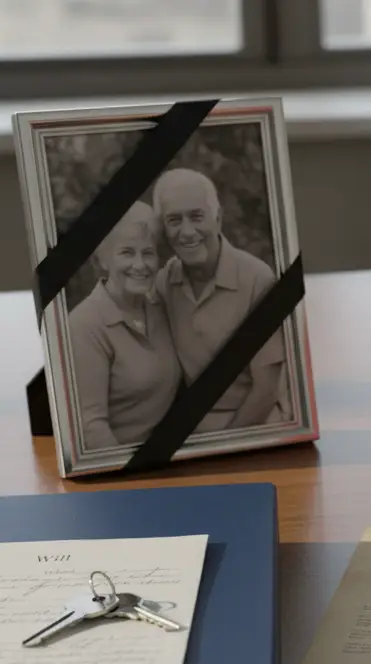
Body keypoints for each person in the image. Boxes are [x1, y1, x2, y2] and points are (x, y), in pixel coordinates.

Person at [152, 167, 288, 433]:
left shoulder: (256, 279)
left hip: (256, 424)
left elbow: (266, 390)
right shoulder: (164, 283)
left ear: (218, 219)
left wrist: (226, 444)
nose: (187, 231)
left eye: (196, 216)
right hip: (194, 425)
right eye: (174, 220)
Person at [69, 201, 181, 451]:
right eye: (127, 253)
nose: (140, 265)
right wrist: (133, 480)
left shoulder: (159, 307)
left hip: (166, 458)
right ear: (104, 260)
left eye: (148, 252)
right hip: (122, 471)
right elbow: (91, 428)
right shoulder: (85, 326)